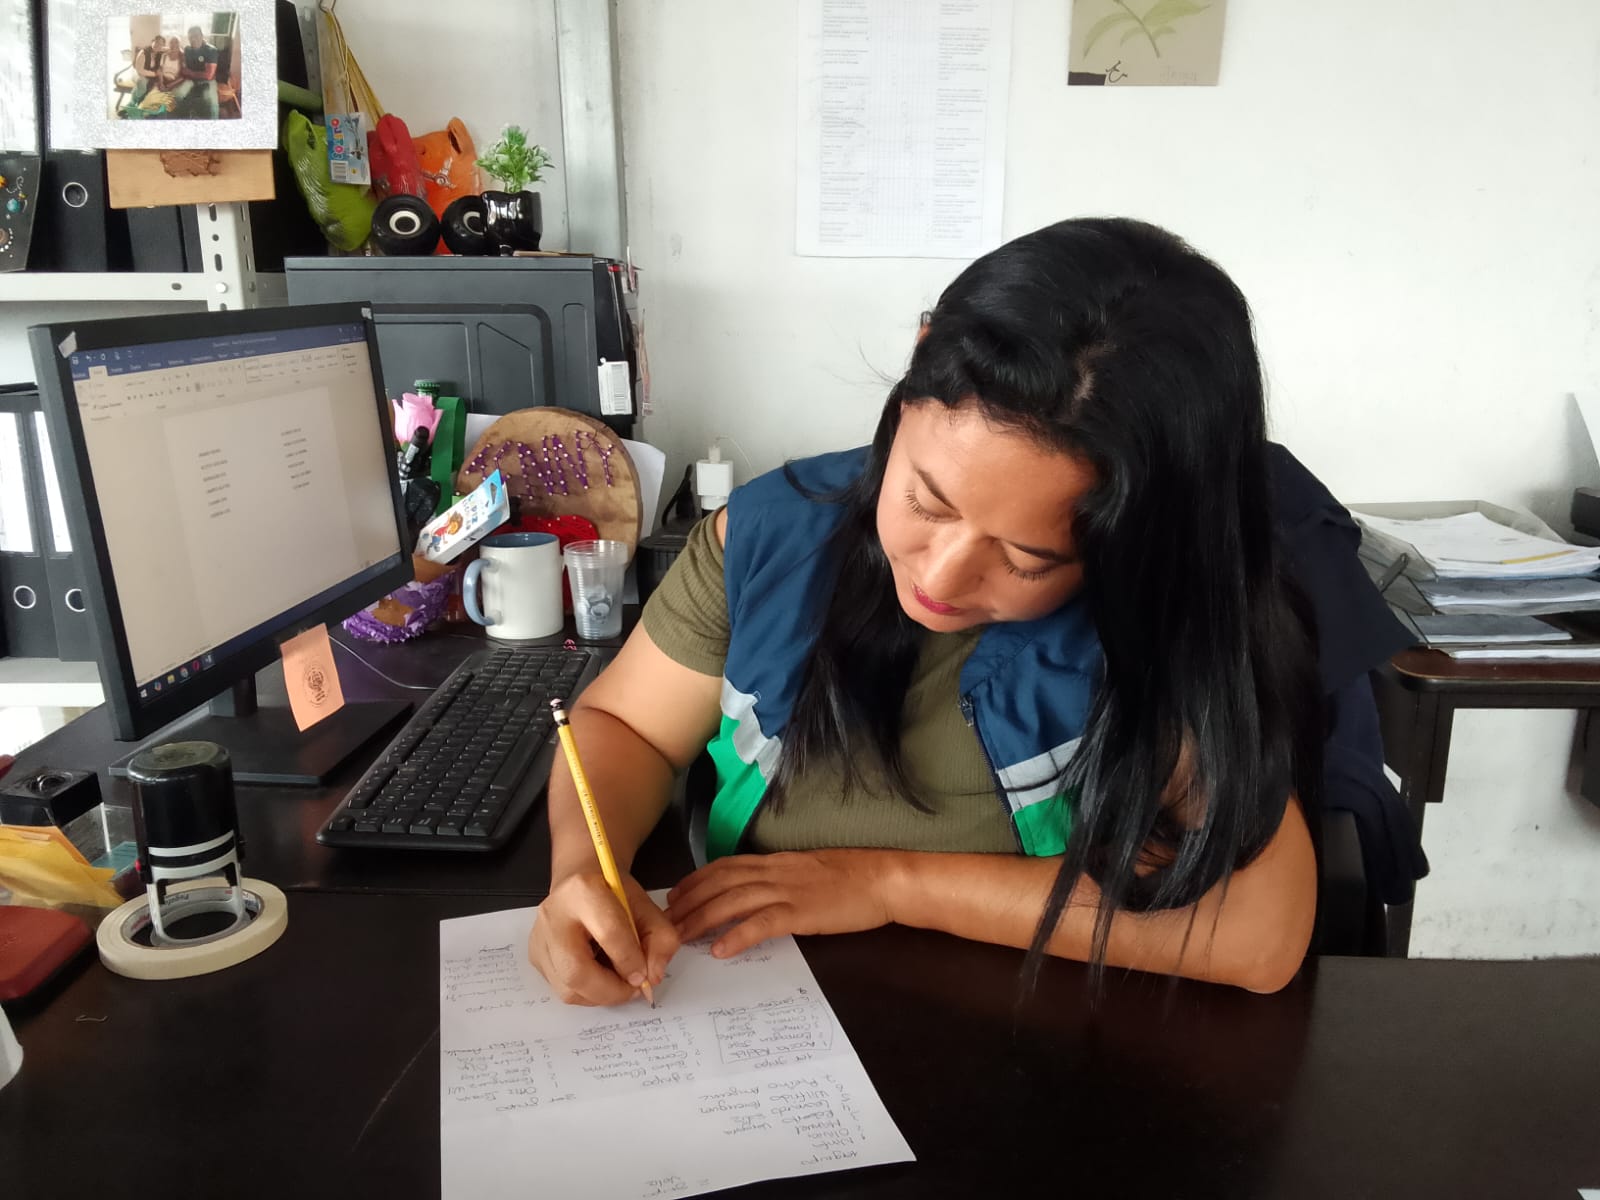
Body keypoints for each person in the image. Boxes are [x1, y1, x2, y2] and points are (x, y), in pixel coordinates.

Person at [528, 217, 1338, 1006]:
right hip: (761, 1010)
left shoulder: (1159, 627)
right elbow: (626, 728)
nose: (940, 576)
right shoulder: (774, 536)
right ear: (916, 369)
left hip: (1031, 1038)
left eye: (1027, 557)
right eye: (925, 500)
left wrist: (887, 884)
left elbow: (1257, 935)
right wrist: (585, 871)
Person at [169, 26, 219, 119]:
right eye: (190, 37)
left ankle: (214, 123)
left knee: (212, 102)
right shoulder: (187, 49)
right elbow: (183, 65)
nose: (193, 39)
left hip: (208, 81)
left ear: (202, 36)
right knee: (177, 95)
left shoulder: (211, 50)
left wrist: (190, 72)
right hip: (190, 80)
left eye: (196, 36)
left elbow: (208, 75)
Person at [128, 35, 164, 108]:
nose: (158, 45)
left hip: (149, 75)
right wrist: (154, 74)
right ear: (152, 42)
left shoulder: (159, 53)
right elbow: (140, 70)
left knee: (154, 87)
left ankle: (141, 103)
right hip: (138, 74)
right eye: (156, 42)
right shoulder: (143, 53)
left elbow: (169, 49)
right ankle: (132, 103)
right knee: (142, 84)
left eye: (161, 44)